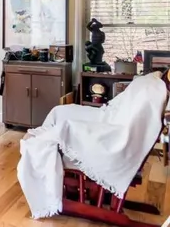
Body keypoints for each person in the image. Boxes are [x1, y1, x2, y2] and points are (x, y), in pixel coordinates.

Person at [17, 69, 169, 219]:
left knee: (64, 130)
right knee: (58, 112)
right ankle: (54, 181)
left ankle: (50, 185)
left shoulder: (155, 88)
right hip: (113, 119)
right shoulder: (154, 82)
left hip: (118, 133)